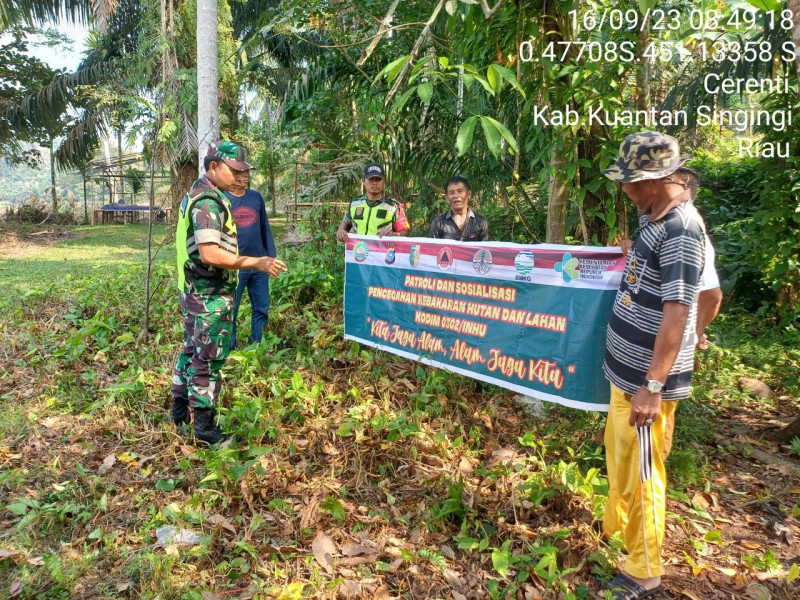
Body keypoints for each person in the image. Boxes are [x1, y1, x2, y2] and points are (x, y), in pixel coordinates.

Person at [597, 132, 706, 600]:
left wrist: (654, 384)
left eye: (631, 182)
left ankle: (644, 569)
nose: (625, 190)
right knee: (618, 455)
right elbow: (650, 277)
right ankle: (617, 528)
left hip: (646, 381)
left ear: (657, 179)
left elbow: (678, 313)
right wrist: (631, 255)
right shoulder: (653, 216)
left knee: (644, 473)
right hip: (624, 371)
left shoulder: (683, 229)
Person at [171, 140, 287, 445]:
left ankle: (179, 412)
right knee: (208, 359)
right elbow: (210, 253)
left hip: (193, 289)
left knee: (190, 350)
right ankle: (205, 430)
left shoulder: (197, 192)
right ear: (214, 167)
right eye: (234, 170)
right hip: (208, 293)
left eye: (243, 171)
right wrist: (256, 262)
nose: (240, 176)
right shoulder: (209, 201)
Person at [225, 159, 277, 349]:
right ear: (230, 173)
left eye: (247, 172)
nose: (245, 175)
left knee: (261, 308)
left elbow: (265, 227)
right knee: (232, 309)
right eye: (240, 172)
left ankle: (258, 347)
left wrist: (271, 256)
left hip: (260, 263)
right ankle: (230, 350)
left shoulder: (256, 198)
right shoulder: (222, 199)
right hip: (236, 265)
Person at [336, 163, 411, 241]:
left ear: (384, 182)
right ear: (364, 181)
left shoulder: (393, 206)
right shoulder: (355, 203)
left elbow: (405, 232)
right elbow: (345, 224)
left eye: (378, 179)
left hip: (383, 251)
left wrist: (393, 234)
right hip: (357, 251)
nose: (374, 183)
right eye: (371, 179)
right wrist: (341, 232)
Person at [428, 175, 489, 241]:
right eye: (451, 193)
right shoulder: (438, 223)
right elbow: (432, 249)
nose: (456, 196)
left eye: (460, 191)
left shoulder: (480, 222)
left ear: (469, 194)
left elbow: (484, 250)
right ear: (446, 198)